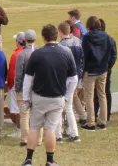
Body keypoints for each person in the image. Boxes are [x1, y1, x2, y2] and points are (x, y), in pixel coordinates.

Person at [20, 25, 77, 166]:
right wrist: (67, 96)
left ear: (44, 37)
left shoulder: (37, 53)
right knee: (50, 129)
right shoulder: (66, 53)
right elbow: (73, 79)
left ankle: (28, 160)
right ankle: (50, 160)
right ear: (56, 35)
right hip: (57, 97)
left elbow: (28, 78)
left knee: (34, 127)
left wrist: (26, 98)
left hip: (39, 96)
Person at [81, 16, 113, 131]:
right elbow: (109, 53)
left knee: (89, 97)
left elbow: (84, 55)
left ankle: (91, 122)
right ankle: (102, 121)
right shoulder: (107, 36)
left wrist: (82, 71)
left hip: (90, 70)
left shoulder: (87, 37)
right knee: (102, 95)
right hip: (103, 69)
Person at [57, 22, 83, 142]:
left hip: (65, 78)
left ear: (61, 32)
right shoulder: (77, 41)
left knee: (60, 106)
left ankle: (59, 134)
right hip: (75, 76)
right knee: (68, 107)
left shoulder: (62, 46)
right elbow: (82, 59)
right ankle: (73, 132)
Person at [14, 29, 38, 147]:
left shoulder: (22, 54)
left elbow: (18, 74)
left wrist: (17, 88)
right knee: (37, 115)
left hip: (25, 89)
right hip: (38, 88)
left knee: (24, 115)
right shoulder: (39, 52)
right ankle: (38, 139)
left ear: (24, 40)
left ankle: (25, 139)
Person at [93, 18, 117, 122]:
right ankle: (101, 114)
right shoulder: (110, 39)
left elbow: (113, 56)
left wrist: (108, 67)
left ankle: (102, 114)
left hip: (100, 69)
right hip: (105, 68)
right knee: (103, 92)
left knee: (101, 92)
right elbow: (114, 56)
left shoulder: (107, 39)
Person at [6, 32, 26, 138]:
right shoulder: (30, 51)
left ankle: (19, 130)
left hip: (16, 85)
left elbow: (12, 73)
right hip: (27, 84)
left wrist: (10, 85)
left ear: (18, 42)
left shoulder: (16, 55)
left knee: (17, 108)